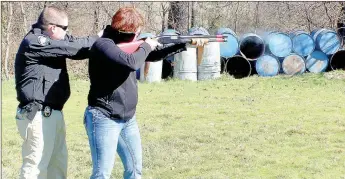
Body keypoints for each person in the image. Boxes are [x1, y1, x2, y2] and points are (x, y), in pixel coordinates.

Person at [84, 7, 207, 179]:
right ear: (128, 30)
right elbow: (131, 62)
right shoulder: (103, 45)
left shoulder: (126, 44)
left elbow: (153, 56)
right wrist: (146, 45)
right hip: (103, 117)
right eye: (136, 30)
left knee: (135, 170)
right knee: (102, 174)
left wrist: (184, 44)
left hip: (128, 119)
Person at [15, 6, 100, 179]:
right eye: (65, 28)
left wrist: (100, 40)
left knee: (57, 167)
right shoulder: (35, 41)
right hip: (37, 114)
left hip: (53, 114)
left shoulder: (54, 40)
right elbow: (73, 48)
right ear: (53, 28)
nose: (68, 32)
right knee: (35, 168)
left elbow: (76, 45)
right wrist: (97, 39)